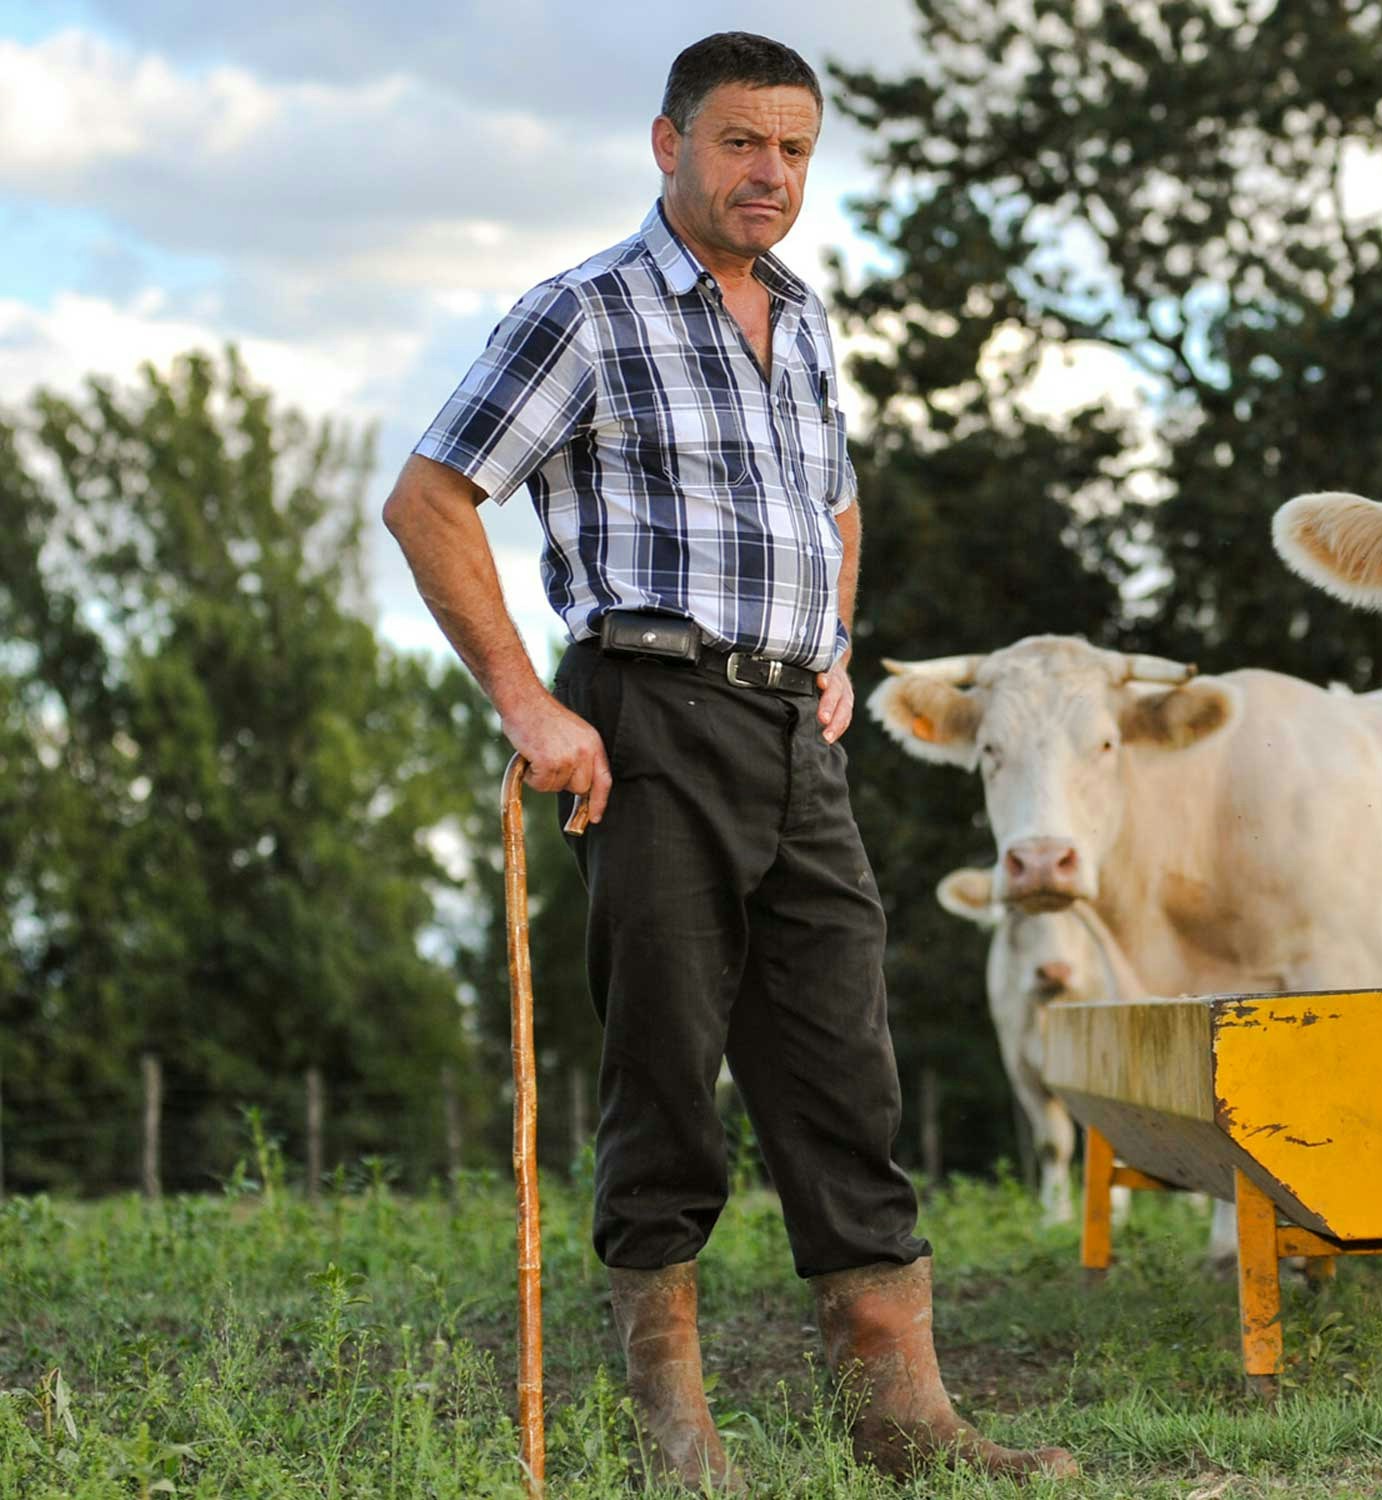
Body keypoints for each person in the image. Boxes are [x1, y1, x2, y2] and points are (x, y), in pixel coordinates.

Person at [382, 31, 1077, 1490]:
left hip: (788, 732)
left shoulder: (810, 320)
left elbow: (834, 502)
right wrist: (529, 705)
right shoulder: (585, 310)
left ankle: (906, 1422)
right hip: (644, 721)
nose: (771, 175)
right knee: (666, 1060)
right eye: (741, 142)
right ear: (668, 145)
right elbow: (431, 496)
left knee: (845, 1057)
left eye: (796, 150)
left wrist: (831, 648)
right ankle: (674, 1437)